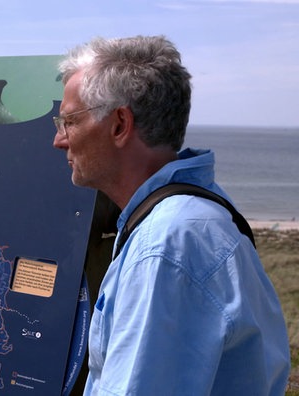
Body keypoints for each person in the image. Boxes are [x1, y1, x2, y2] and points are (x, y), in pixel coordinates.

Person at [53, 36, 290, 395]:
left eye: (69, 120)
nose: (60, 139)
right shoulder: (194, 216)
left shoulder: (165, 246)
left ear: (119, 124)